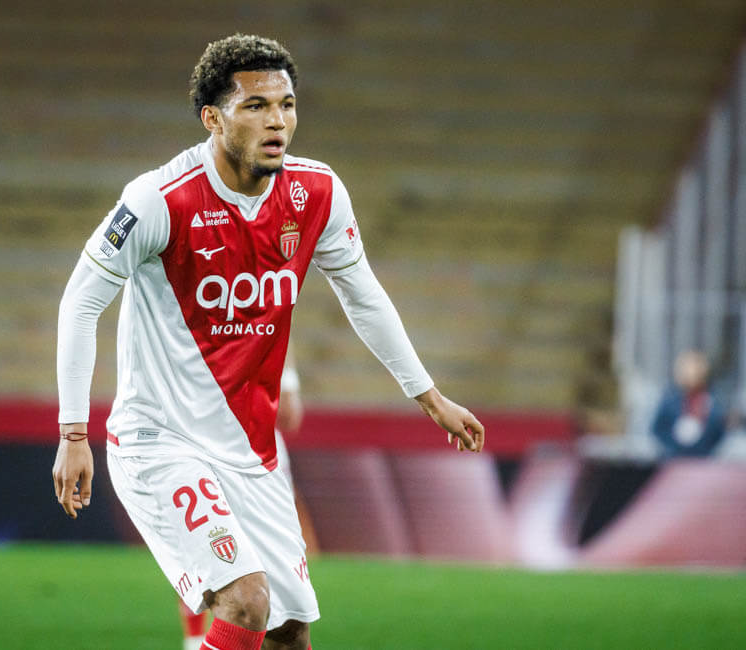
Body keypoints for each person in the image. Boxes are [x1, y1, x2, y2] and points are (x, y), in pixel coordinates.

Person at [52, 34, 484, 650]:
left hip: (252, 454)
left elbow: (363, 296)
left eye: (286, 105)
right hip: (161, 441)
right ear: (213, 118)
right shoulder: (159, 200)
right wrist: (73, 433)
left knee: (289, 633)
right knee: (246, 602)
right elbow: (80, 302)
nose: (277, 121)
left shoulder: (317, 194)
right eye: (255, 106)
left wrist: (430, 397)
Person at [180, 361, 316, 650]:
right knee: (218, 546)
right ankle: (201, 638)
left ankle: (198, 638)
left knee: (216, 547)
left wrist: (287, 382)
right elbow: (289, 415)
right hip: (225, 439)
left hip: (238, 436)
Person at [650, 349, 729, 458]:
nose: (692, 377)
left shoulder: (712, 401)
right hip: (674, 459)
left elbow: (719, 430)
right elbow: (658, 429)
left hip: (703, 459)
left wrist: (706, 449)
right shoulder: (669, 400)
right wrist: (671, 448)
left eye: (696, 373)